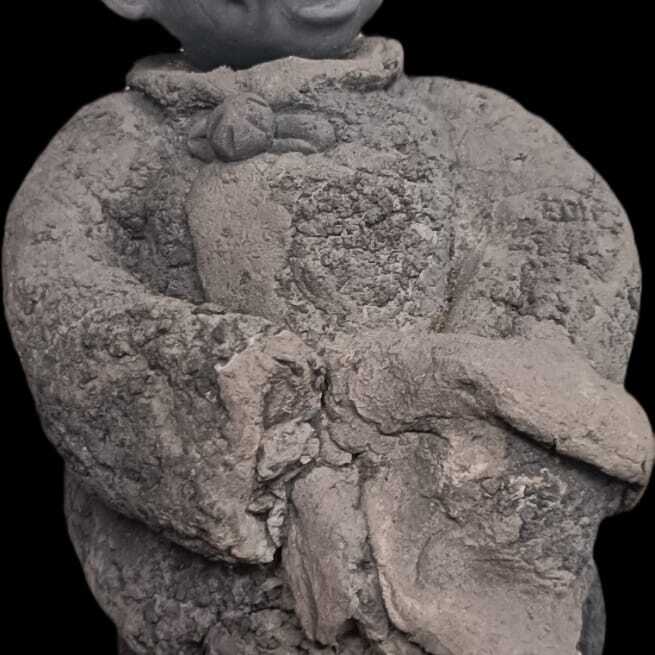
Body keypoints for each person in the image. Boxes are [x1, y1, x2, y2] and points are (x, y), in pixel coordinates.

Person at [4, 1, 653, 653]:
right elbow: (68, 310)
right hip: (220, 588)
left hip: (465, 541)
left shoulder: (469, 122)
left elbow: (572, 258)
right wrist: (268, 418)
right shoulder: (110, 144)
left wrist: (450, 410)